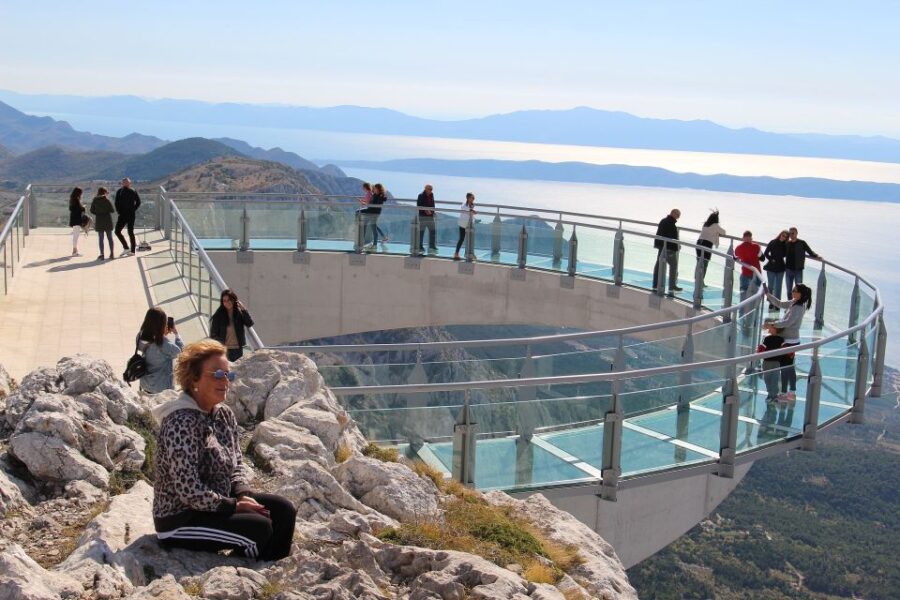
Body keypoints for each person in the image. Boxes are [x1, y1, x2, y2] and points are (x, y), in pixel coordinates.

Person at [151, 339, 296, 560]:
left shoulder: (223, 415)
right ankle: (252, 574)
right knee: (259, 528)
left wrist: (243, 495)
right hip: (182, 518)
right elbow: (188, 490)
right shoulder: (180, 422)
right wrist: (234, 506)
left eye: (229, 374)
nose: (225, 381)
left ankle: (270, 563)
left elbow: (236, 460)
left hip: (216, 502)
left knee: (283, 510)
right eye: (217, 375)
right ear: (194, 379)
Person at [765, 283, 813, 401]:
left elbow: (788, 322)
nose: (792, 292)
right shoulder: (793, 303)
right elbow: (780, 304)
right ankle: (789, 391)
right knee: (787, 367)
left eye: (795, 291)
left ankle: (788, 393)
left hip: (790, 341)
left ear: (801, 294)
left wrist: (773, 324)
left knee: (786, 367)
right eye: (793, 290)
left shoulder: (799, 307)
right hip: (787, 339)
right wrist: (768, 295)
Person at [137, 307, 184, 394]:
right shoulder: (164, 344)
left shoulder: (140, 336)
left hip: (145, 383)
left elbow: (153, 347)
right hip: (161, 388)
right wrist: (176, 334)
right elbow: (180, 352)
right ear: (161, 324)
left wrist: (161, 335)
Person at [210, 289, 255, 362]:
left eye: (229, 300)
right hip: (224, 350)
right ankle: (226, 374)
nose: (227, 303)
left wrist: (243, 309)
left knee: (236, 371)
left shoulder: (239, 313)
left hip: (238, 349)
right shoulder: (218, 316)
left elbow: (249, 323)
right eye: (224, 301)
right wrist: (222, 345)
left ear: (234, 300)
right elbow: (213, 335)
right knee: (226, 372)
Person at [652, 209, 682, 294]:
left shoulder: (664, 221)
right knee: (673, 265)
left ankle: (655, 285)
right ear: (673, 213)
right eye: (677, 215)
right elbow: (671, 237)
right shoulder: (670, 223)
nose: (678, 217)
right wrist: (676, 246)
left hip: (662, 246)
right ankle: (672, 286)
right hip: (668, 248)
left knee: (659, 265)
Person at [784, 227, 820, 293]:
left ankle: (798, 303)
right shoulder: (787, 243)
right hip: (788, 270)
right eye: (790, 234)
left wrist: (816, 256)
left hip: (798, 270)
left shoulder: (802, 243)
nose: (791, 235)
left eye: (793, 233)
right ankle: (790, 303)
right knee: (789, 290)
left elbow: (810, 252)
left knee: (799, 290)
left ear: (796, 233)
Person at [757, 323, 786, 402]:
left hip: (773, 362)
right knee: (768, 378)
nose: (769, 329)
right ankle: (770, 394)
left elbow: (783, 349)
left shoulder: (780, 339)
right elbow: (762, 348)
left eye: (771, 328)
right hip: (768, 361)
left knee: (774, 378)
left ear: (775, 329)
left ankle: (774, 395)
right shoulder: (767, 338)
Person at [695, 211, 725, 283]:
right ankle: (700, 281)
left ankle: (697, 279)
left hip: (699, 243)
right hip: (707, 244)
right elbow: (723, 232)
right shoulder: (715, 225)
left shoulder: (706, 224)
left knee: (699, 262)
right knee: (704, 264)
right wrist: (717, 233)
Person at [114, 177, 141, 257]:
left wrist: (133, 209)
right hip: (122, 215)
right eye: (124, 182)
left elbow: (138, 202)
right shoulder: (119, 191)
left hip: (130, 215)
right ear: (122, 183)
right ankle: (126, 247)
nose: (125, 184)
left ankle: (132, 251)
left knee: (130, 232)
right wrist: (119, 212)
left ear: (130, 183)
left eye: (127, 182)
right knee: (117, 231)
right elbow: (116, 203)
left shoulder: (133, 191)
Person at [733, 230, 764, 298]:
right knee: (757, 293)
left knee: (743, 292)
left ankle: (742, 307)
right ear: (751, 238)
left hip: (745, 272)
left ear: (743, 238)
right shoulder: (756, 246)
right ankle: (755, 307)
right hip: (756, 273)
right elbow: (762, 258)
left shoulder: (738, 248)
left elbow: (735, 257)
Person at [763, 230, 789, 311]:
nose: (783, 237)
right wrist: (771, 259)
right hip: (771, 267)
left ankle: (777, 304)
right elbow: (766, 253)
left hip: (781, 267)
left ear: (786, 238)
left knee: (778, 287)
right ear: (780, 234)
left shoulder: (785, 245)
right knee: (771, 286)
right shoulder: (773, 242)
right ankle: (771, 302)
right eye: (782, 235)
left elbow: (786, 255)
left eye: (785, 236)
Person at [90, 186, 116, 261]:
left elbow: (92, 210)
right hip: (107, 220)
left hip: (99, 220)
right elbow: (112, 210)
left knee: (101, 238)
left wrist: (98, 213)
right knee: (110, 238)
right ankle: (112, 253)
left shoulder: (95, 200)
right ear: (104, 192)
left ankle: (102, 254)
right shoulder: (106, 200)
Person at [453, 193, 476, 261]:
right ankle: (456, 253)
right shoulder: (464, 204)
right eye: (472, 198)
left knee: (470, 239)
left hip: (469, 225)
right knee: (461, 239)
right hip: (463, 224)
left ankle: (471, 254)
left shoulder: (472, 205)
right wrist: (471, 211)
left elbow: (471, 213)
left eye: (473, 198)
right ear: (468, 198)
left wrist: (472, 211)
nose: (473, 199)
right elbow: (465, 209)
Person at [416, 184, 438, 254]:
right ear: (425, 189)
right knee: (421, 232)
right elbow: (419, 205)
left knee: (433, 231)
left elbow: (433, 204)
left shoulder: (431, 195)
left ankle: (432, 246)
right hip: (423, 217)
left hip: (430, 217)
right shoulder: (421, 195)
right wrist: (425, 210)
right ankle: (420, 247)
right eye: (429, 189)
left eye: (431, 189)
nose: (431, 191)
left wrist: (433, 212)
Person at [68, 187, 86, 257]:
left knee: (75, 235)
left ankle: (75, 250)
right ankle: (74, 251)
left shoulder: (72, 200)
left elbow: (72, 209)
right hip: (77, 219)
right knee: (76, 235)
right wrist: (83, 207)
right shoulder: (76, 200)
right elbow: (79, 209)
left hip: (73, 219)